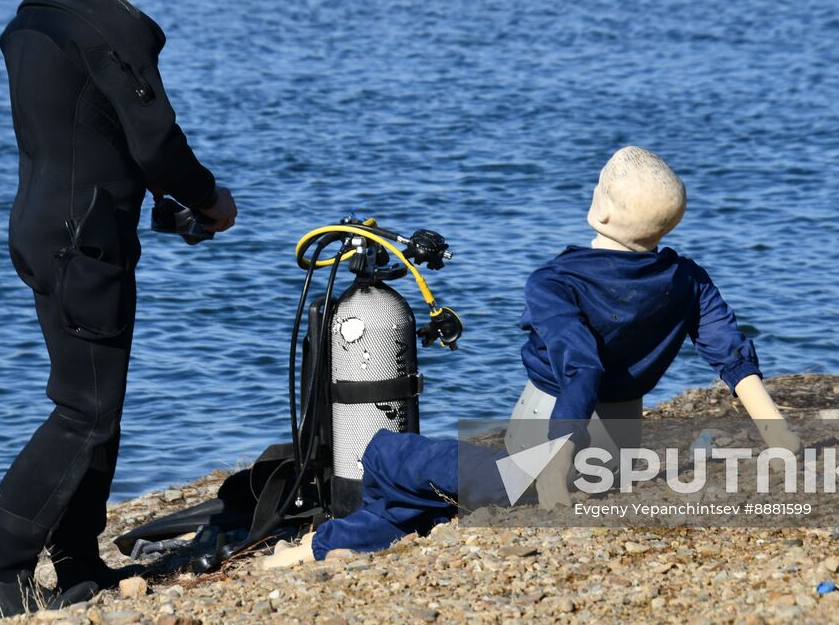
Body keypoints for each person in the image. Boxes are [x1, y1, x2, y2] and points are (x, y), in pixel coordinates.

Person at [265, 146, 796, 567]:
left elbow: (581, 369)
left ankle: (314, 548)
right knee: (441, 488)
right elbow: (730, 354)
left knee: (388, 455)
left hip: (550, 444)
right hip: (618, 451)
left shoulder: (555, 282)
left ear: (600, 209)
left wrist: (555, 468)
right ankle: (358, 536)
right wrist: (776, 434)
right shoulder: (686, 279)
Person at [0, 0, 237, 617]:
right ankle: (0, 565)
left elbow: (90, 127)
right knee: (83, 408)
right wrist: (210, 200)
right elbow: (156, 140)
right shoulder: (109, 22)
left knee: (98, 397)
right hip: (83, 236)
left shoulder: (39, 10)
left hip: (40, 223)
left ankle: (78, 554)